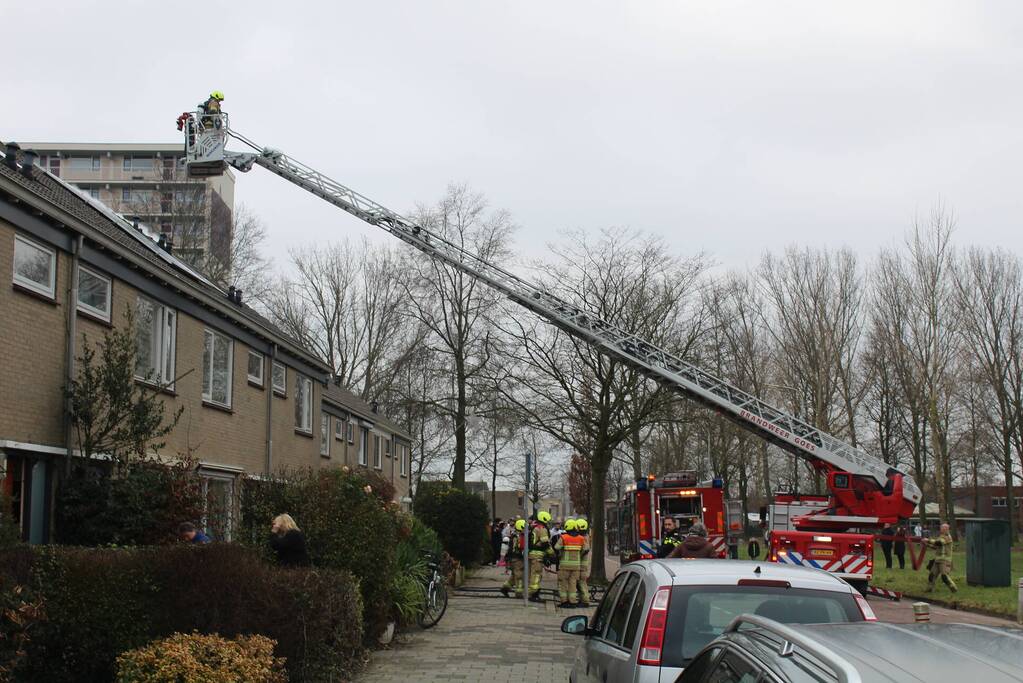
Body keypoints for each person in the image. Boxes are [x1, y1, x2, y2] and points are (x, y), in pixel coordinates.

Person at [554, 519, 588, 608]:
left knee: (563, 583)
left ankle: (564, 602)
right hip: (576, 566)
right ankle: (573, 602)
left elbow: (556, 547)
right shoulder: (581, 538)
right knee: (573, 584)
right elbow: (585, 550)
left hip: (564, 565)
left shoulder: (564, 537)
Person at [527, 511, 553, 602]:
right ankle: (533, 594)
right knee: (536, 575)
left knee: (533, 574)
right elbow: (545, 543)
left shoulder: (534, 527)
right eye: (548, 521)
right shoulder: (542, 529)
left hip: (532, 554)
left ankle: (533, 593)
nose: (548, 523)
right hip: (538, 555)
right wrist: (552, 554)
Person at [924, 522, 957, 593]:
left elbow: (938, 543)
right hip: (938, 560)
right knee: (932, 575)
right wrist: (927, 545)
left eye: (942, 528)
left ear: (947, 529)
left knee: (944, 576)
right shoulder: (941, 536)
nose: (941, 530)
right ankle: (930, 589)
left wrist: (928, 540)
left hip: (945, 561)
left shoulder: (947, 536)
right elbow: (936, 547)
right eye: (941, 528)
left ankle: (953, 588)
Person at [501, 519, 526, 597]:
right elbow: (520, 547)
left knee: (514, 575)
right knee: (519, 576)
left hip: (513, 559)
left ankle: (505, 588)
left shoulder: (514, 534)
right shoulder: (518, 536)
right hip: (517, 559)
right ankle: (519, 593)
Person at [575, 518, 591, 607]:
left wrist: (577, 556)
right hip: (581, 564)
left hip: (582, 565)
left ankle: (585, 601)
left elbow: (585, 549)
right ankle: (582, 599)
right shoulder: (585, 536)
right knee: (579, 583)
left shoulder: (584, 538)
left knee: (582, 583)